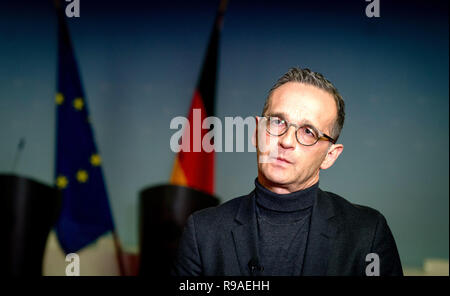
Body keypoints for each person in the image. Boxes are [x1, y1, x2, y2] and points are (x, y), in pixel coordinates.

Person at [172, 67, 403, 276]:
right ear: (256, 132)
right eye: (278, 122)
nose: (286, 141)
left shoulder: (367, 233)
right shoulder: (203, 232)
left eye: (308, 132)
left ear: (330, 156)